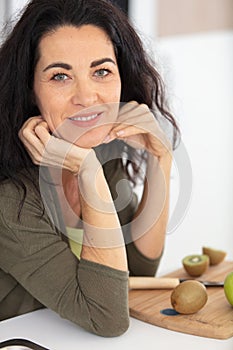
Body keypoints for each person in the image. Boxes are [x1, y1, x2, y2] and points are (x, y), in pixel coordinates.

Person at [0, 0, 179, 337]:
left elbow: (138, 269)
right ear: (29, 90)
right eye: (60, 76)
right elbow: (107, 318)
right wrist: (88, 172)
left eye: (101, 71)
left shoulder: (102, 151)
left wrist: (161, 159)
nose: (86, 96)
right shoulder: (10, 198)